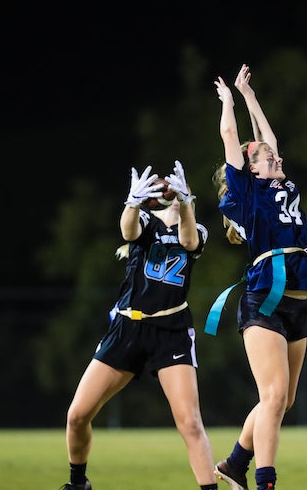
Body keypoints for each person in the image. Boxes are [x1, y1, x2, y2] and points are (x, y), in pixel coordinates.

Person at [61, 161, 219, 490]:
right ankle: (78, 484)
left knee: (190, 423)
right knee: (77, 415)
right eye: (168, 191)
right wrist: (132, 203)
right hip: (128, 327)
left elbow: (189, 242)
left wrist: (186, 204)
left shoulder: (196, 228)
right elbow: (128, 231)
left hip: (171, 329)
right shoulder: (145, 221)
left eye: (178, 191)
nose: (171, 194)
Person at [210, 64, 307, 490]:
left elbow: (268, 139)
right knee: (274, 397)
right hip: (264, 300)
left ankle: (236, 463)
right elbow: (230, 140)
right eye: (263, 156)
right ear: (251, 170)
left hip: (297, 301)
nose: (274, 155)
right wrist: (229, 102)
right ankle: (266, 482)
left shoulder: (283, 185)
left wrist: (250, 93)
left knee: (283, 399)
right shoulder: (250, 192)